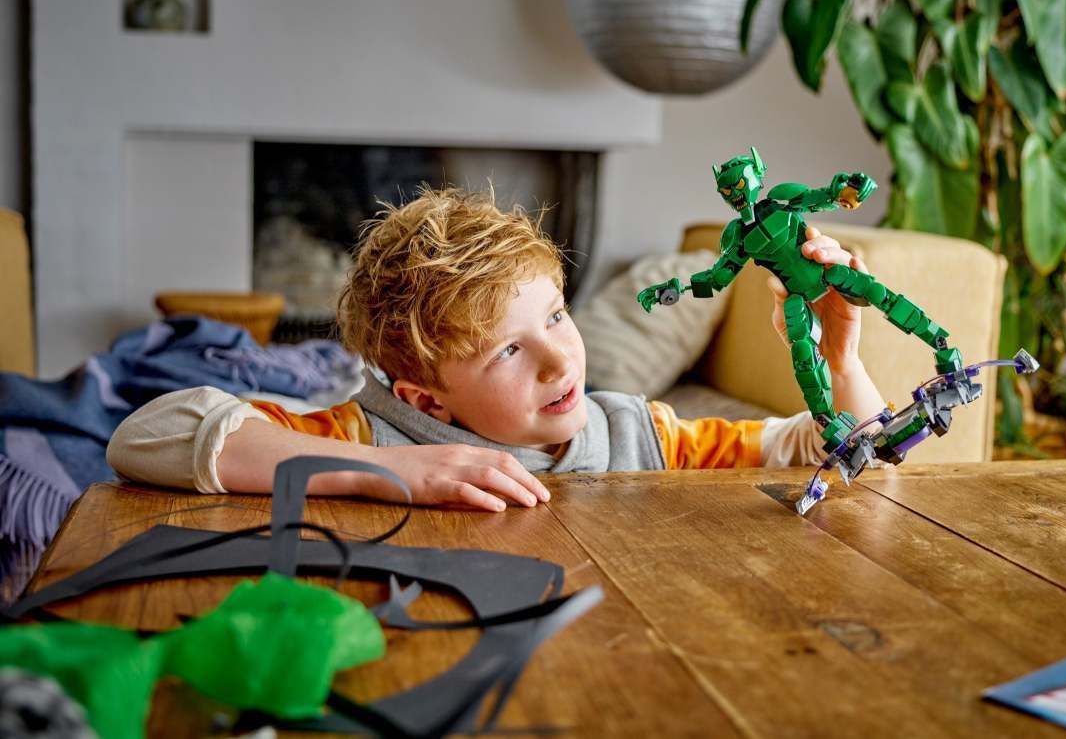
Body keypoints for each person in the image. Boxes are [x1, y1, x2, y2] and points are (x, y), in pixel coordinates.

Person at [108, 188, 885, 512]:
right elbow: (147, 436)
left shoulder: (644, 437)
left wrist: (839, 363)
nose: (559, 360)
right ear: (424, 400)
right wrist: (391, 472)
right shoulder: (369, 436)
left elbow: (852, 456)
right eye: (507, 352)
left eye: (556, 316)